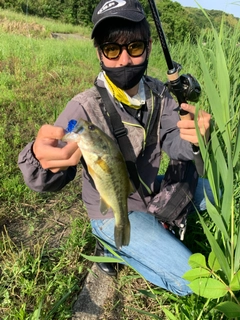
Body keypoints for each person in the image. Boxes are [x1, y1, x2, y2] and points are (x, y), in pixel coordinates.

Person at [18, 0, 213, 296]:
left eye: (133, 47)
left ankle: (153, 226)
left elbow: (175, 143)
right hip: (112, 210)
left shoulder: (160, 94)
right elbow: (54, 156)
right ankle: (111, 242)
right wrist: (40, 160)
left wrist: (194, 139)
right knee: (194, 282)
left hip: (147, 189)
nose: (124, 60)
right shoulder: (83, 110)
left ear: (148, 46)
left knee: (219, 195)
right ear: (100, 53)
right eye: (112, 49)